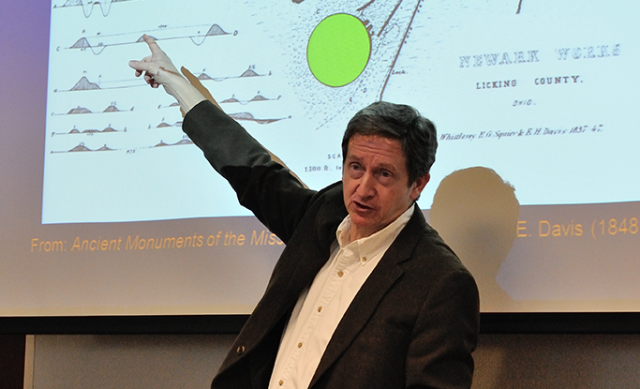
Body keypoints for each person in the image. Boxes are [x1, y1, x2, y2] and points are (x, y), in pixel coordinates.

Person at [129, 34, 479, 389]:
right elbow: (252, 170)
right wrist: (179, 87)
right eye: (355, 167)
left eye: (384, 174)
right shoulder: (323, 216)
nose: (363, 187)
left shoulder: (441, 282)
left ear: (418, 184)